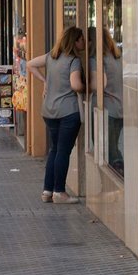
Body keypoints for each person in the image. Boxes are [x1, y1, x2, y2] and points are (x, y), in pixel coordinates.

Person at [27, 26, 84, 204]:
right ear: (75, 41)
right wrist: (86, 86)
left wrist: (45, 81)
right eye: (81, 39)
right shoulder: (73, 60)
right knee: (63, 151)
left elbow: (30, 64)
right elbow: (75, 85)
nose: (84, 42)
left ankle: (47, 191)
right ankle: (59, 192)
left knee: (54, 149)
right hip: (68, 111)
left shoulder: (51, 56)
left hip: (49, 111)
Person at [88, 28, 123, 173]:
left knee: (108, 153)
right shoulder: (116, 56)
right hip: (119, 109)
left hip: (106, 109)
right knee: (112, 148)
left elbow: (99, 84)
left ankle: (115, 184)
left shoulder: (96, 60)